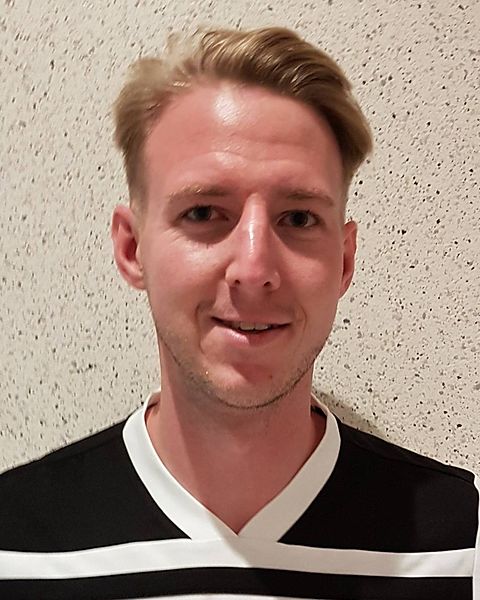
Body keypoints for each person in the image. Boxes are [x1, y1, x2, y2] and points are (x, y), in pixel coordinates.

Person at [0, 26, 478, 600]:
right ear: (131, 249)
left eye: (298, 218)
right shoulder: (16, 546)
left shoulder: (459, 547)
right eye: (204, 212)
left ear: (344, 261)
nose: (254, 269)